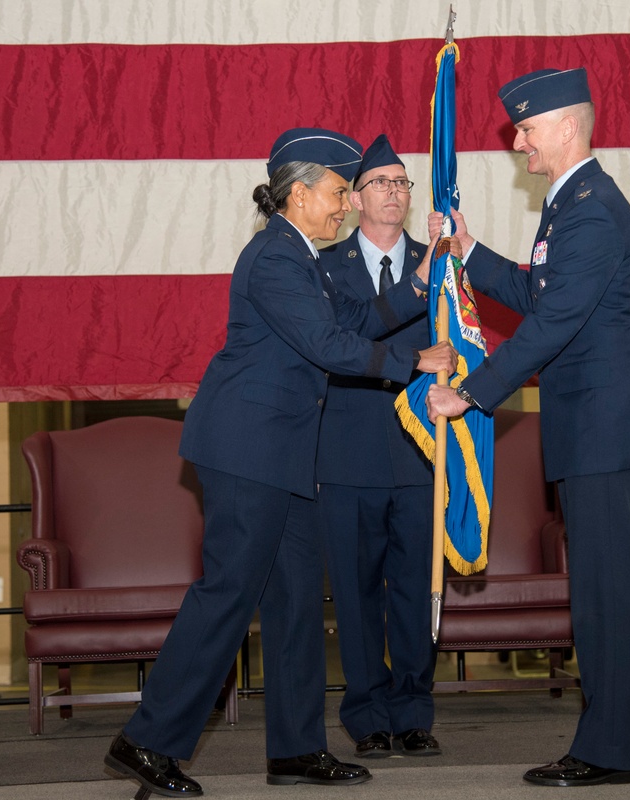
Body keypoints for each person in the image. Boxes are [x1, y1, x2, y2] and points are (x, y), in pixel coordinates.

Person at [103, 127, 457, 797]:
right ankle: (146, 741)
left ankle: (296, 749)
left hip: (289, 456)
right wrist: (414, 362)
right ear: (298, 194)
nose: (348, 205)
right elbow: (330, 343)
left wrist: (418, 284)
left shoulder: (301, 257)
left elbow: (356, 314)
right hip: (247, 451)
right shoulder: (274, 258)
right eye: (337, 192)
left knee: (296, 602)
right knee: (228, 595)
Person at [426, 68, 630, 787]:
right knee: (622, 587)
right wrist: (467, 250)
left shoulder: (593, 210)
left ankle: (606, 752)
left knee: (603, 592)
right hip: (592, 424)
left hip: (600, 424)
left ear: (566, 127)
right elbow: (537, 291)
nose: (518, 142)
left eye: (527, 129)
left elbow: (551, 326)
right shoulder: (572, 204)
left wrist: (471, 394)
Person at [316, 134, 440, 759]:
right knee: (358, 593)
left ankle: (415, 710)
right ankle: (368, 717)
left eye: (402, 183)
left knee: (415, 587)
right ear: (357, 198)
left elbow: (464, 339)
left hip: (421, 451)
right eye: (381, 183)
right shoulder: (324, 268)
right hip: (348, 453)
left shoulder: (441, 261)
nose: (394, 192)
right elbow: (343, 337)